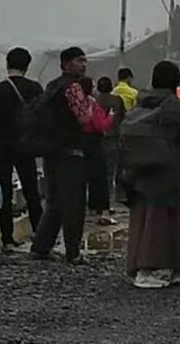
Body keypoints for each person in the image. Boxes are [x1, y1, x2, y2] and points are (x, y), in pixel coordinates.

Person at [124, 60, 180, 289]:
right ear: (176, 81)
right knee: (171, 221)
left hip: (140, 170)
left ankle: (141, 268)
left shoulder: (140, 102)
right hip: (169, 170)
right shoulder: (175, 106)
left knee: (142, 221)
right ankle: (161, 271)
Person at [30, 47, 93, 264]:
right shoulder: (73, 87)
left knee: (54, 202)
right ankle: (73, 253)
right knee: (74, 204)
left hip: (51, 151)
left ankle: (41, 247)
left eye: (85, 61)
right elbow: (84, 120)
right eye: (79, 61)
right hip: (71, 152)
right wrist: (92, 105)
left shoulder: (52, 86)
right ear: (66, 64)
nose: (84, 65)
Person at [0, 47, 44, 251]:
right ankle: (40, 235)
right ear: (27, 65)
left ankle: (7, 239)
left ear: (7, 64)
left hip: (1, 148)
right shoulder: (34, 88)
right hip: (26, 147)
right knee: (31, 191)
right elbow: (41, 119)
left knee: (4, 193)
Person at [79, 77, 115, 225]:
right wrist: (111, 116)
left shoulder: (77, 104)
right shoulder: (91, 104)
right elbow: (100, 125)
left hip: (79, 142)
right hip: (94, 142)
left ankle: (86, 207)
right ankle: (102, 210)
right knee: (100, 177)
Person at [95, 77, 125, 210]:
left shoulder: (93, 100)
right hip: (113, 139)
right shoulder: (117, 101)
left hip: (95, 139)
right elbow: (123, 117)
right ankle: (107, 203)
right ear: (111, 87)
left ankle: (95, 201)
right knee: (109, 173)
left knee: (95, 172)